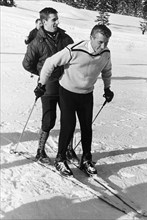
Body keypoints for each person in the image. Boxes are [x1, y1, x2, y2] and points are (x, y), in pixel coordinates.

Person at [34, 24, 114, 176]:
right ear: (91, 38)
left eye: (106, 42)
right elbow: (50, 62)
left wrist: (107, 88)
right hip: (68, 92)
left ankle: (86, 159)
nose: (103, 46)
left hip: (86, 94)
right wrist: (41, 84)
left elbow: (107, 70)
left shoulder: (105, 53)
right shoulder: (75, 49)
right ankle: (60, 159)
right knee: (68, 125)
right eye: (100, 42)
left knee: (86, 127)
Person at [22, 7, 78, 164]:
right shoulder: (36, 42)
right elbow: (27, 64)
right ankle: (40, 150)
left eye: (57, 19)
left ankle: (68, 148)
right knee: (49, 119)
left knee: (69, 119)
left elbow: (74, 58)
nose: (57, 22)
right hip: (47, 86)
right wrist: (42, 73)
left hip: (66, 84)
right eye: (54, 19)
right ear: (44, 21)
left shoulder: (65, 38)